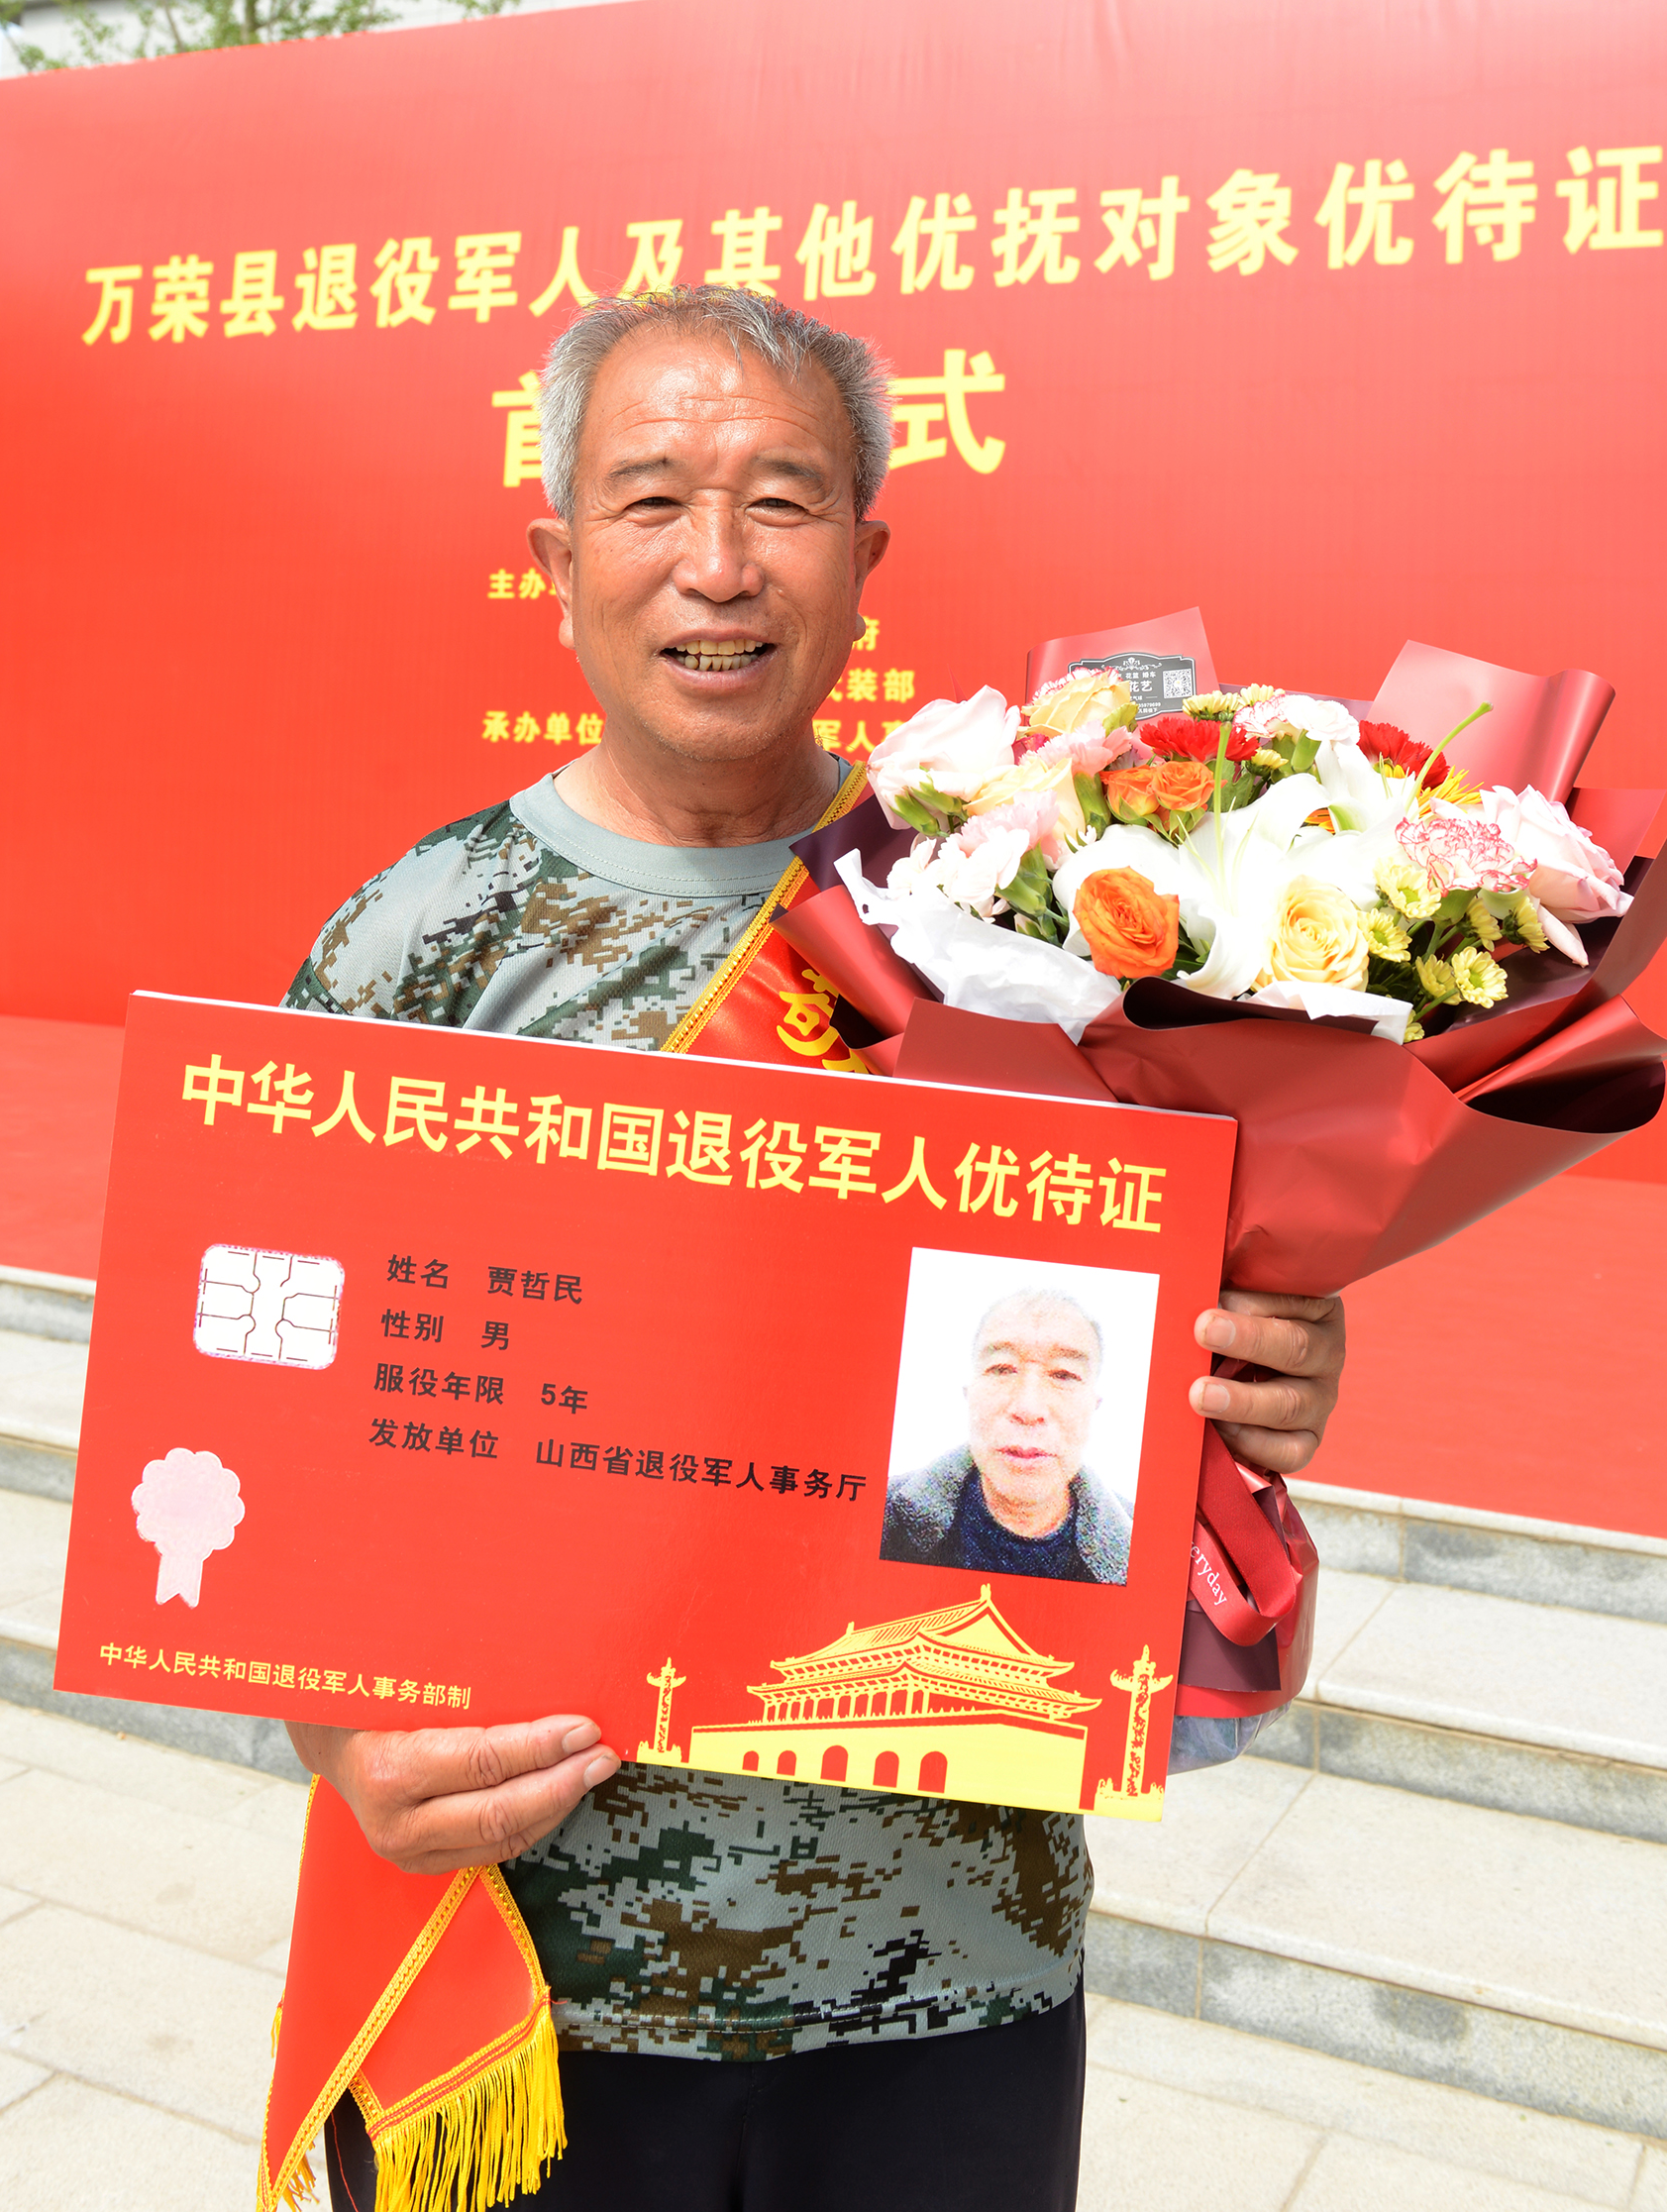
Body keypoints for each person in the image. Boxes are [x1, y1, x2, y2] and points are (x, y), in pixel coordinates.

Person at [280, 285, 1347, 2212]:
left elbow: (1124, 1374)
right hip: (527, 1968)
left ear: (866, 559)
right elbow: (273, 1418)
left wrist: (1253, 1373)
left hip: (948, 1965)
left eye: (780, 500)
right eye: (650, 498)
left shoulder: (1015, 931)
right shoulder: (411, 947)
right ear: (556, 560)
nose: (717, 562)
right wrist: (331, 1725)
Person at [882, 1288, 1132, 1583]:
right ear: (969, 1395)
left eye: (1063, 1375)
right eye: (1001, 1369)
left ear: (1094, 1405)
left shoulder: (1150, 1551)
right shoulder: (878, 1516)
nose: (1028, 1408)